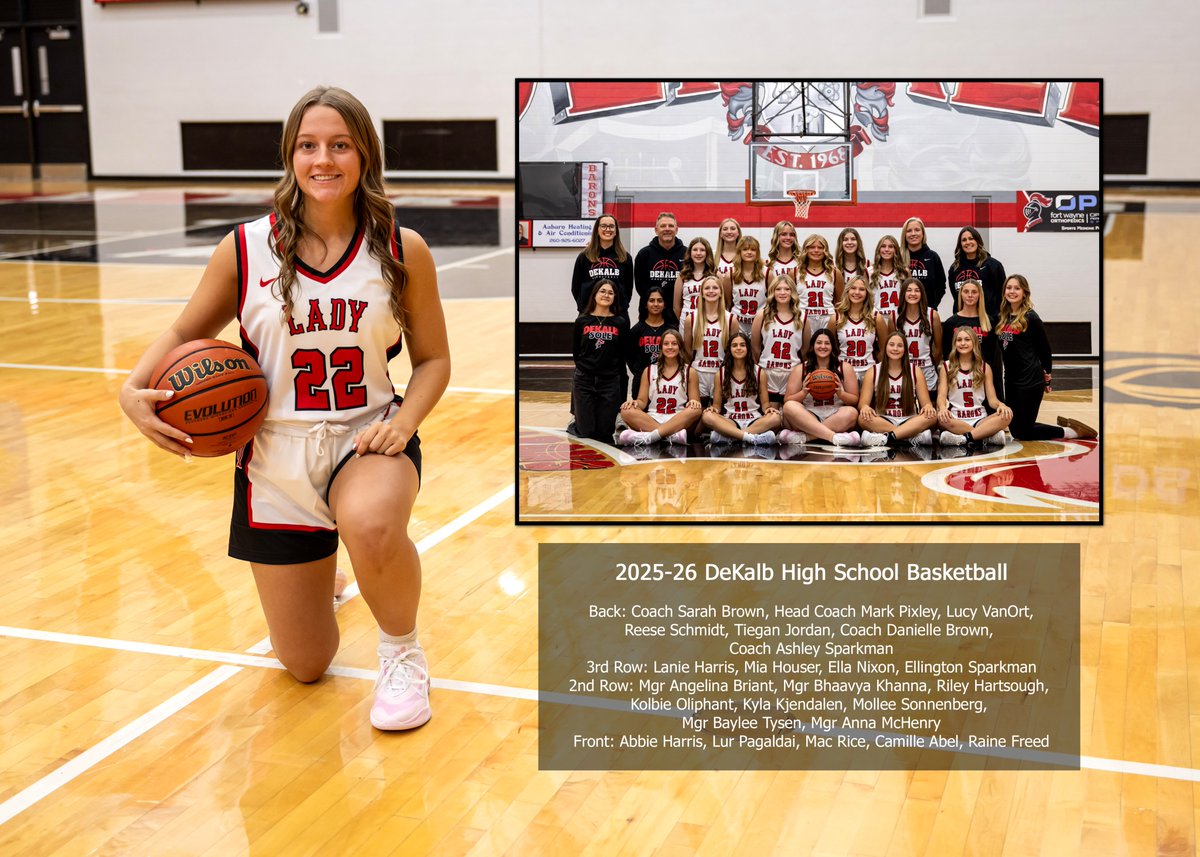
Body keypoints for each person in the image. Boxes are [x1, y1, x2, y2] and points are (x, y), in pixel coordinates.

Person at [118, 86, 450, 731]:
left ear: (364, 156)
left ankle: (403, 653)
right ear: (290, 156)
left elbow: (433, 360)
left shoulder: (400, 248)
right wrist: (133, 389)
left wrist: (403, 422)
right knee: (305, 665)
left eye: (339, 145)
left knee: (374, 525)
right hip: (272, 457)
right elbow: (186, 332)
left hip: (365, 437)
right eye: (308, 146)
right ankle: (325, 572)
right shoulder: (245, 249)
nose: (323, 159)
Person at [996, 274, 1097, 440]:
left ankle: (1071, 432)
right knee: (1015, 428)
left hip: (1030, 380)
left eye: (1017, 288)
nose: (1012, 291)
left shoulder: (1031, 317)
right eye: (1009, 288)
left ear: (1024, 293)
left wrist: (1047, 378)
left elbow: (1045, 350)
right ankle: (1065, 428)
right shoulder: (1002, 317)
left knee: (1023, 431)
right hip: (1011, 380)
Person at [618, 329, 701, 445]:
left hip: (677, 419)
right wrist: (634, 403)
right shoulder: (649, 370)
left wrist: (693, 402)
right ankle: (670, 436)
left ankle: (650, 436)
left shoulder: (689, 371)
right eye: (666, 344)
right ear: (661, 347)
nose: (670, 347)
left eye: (674, 343)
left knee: (696, 410)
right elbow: (642, 401)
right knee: (626, 411)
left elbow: (695, 401)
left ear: (680, 347)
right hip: (653, 418)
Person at [781, 328, 861, 447]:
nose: (823, 346)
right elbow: (788, 400)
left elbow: (854, 400)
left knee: (852, 413)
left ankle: (807, 437)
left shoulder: (845, 367)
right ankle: (832, 436)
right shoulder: (801, 369)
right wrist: (803, 393)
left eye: (827, 343)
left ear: (833, 346)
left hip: (835, 414)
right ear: (813, 345)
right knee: (789, 407)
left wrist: (841, 394)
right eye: (819, 343)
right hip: (809, 414)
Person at [572, 279, 629, 443]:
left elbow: (622, 354)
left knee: (605, 432)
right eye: (602, 291)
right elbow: (576, 352)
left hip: (609, 381)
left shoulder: (620, 322)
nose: (606, 295)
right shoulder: (582, 321)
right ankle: (577, 421)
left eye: (611, 293)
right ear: (595, 294)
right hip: (584, 379)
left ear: (615, 298)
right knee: (587, 432)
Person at [858, 331, 937, 446]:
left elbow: (926, 404)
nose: (895, 348)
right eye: (891, 345)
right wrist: (865, 407)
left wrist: (928, 407)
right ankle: (909, 437)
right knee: (862, 418)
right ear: (885, 347)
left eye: (900, 346)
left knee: (932, 416)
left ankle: (887, 437)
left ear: (905, 349)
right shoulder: (874, 371)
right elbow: (862, 403)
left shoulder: (915, 370)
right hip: (884, 419)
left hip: (909, 419)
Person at [936, 326, 1012, 446]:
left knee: (1007, 415)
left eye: (967, 339)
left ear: (974, 343)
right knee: (941, 419)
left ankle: (964, 438)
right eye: (959, 340)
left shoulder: (984, 367)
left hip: (980, 419)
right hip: (956, 419)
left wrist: (1001, 405)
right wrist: (942, 408)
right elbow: (941, 396)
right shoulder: (946, 367)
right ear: (954, 343)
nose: (963, 343)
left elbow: (992, 400)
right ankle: (984, 436)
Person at [702, 331, 780, 445]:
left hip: (754, 420)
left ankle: (733, 437)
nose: (738, 348)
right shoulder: (721, 374)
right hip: (730, 420)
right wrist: (713, 410)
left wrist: (769, 409)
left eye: (742, 345)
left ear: (748, 348)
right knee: (706, 416)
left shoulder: (759, 372)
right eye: (734, 345)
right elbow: (717, 406)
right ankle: (751, 438)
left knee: (776, 418)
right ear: (729, 349)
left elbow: (765, 405)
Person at [942, 278, 1004, 403]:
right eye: (966, 291)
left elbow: (993, 355)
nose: (970, 295)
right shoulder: (951, 323)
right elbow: (948, 355)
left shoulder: (989, 322)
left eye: (974, 292)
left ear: (980, 295)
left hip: (983, 376)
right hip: (960, 379)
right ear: (960, 294)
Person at [751, 274, 807, 406]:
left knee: (789, 414)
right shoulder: (762, 315)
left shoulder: (802, 317)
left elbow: (805, 349)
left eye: (787, 289)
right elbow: (755, 347)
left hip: (792, 373)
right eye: (778, 289)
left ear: (792, 292)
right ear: (772, 292)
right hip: (768, 372)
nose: (782, 293)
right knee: (772, 414)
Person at [681, 274, 734, 407]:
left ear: (721, 292)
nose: (711, 291)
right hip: (698, 373)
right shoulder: (691, 319)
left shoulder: (731, 319)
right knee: (698, 419)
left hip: (720, 372)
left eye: (715, 288)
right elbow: (687, 351)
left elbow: (733, 351)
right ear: (702, 293)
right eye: (707, 288)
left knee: (719, 415)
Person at [571, 213, 633, 314]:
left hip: (617, 314)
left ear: (616, 231)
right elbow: (576, 287)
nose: (608, 229)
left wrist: (621, 307)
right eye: (603, 226)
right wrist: (585, 307)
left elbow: (628, 288)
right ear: (597, 230)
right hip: (589, 312)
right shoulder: (584, 256)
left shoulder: (625, 257)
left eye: (611, 226)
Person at [832, 274, 887, 384]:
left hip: (869, 371)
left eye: (862, 289)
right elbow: (832, 349)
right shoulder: (836, 318)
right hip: (844, 372)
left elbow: (883, 349)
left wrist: (877, 370)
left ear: (867, 293)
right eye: (853, 288)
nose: (857, 292)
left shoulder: (876, 317)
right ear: (847, 291)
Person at [634, 211, 687, 323]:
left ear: (676, 230)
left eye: (671, 226)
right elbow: (640, 287)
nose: (667, 229)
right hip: (650, 315)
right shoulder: (644, 254)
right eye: (663, 226)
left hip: (678, 314)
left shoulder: (687, 254)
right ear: (656, 230)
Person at [947, 226, 1006, 324]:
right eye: (964, 240)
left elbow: (1002, 294)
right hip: (962, 323)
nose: (968, 242)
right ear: (960, 244)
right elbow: (955, 295)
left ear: (978, 240)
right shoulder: (955, 268)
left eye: (971, 238)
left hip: (988, 321)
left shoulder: (993, 265)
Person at [897, 276, 942, 394]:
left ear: (922, 294)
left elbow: (938, 348)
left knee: (929, 407)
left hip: (926, 369)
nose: (913, 294)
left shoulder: (932, 315)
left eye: (917, 290)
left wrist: (931, 364)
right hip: (903, 369)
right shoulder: (894, 316)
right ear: (903, 293)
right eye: (909, 290)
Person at [625, 286, 671, 399]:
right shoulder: (636, 330)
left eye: (660, 300)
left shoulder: (671, 330)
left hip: (666, 380)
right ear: (645, 304)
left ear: (665, 304)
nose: (656, 304)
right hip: (640, 381)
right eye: (652, 300)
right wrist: (639, 371)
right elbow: (629, 357)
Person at [902, 216, 947, 313]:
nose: (913, 234)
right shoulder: (899, 258)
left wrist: (930, 306)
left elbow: (941, 287)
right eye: (909, 231)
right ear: (904, 235)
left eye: (917, 230)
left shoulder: (933, 257)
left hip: (927, 312)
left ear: (923, 234)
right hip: (904, 313)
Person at [798, 233, 842, 331]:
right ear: (806, 250)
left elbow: (840, 303)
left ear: (825, 250)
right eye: (812, 247)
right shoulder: (795, 272)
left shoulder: (834, 272)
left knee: (825, 346)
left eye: (820, 247)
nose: (816, 250)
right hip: (803, 319)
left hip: (828, 318)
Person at [727, 235, 766, 337]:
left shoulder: (767, 273)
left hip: (760, 322)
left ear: (757, 253)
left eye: (753, 249)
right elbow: (727, 302)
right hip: (738, 322)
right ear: (739, 252)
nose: (749, 252)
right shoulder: (730, 274)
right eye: (745, 249)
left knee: (757, 351)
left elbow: (771, 301)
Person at [673, 236, 719, 322]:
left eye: (702, 250)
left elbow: (723, 302)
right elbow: (676, 306)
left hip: (708, 322)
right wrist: (684, 321)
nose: (698, 253)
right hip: (686, 320)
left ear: (707, 253)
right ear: (690, 253)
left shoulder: (715, 273)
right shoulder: (683, 275)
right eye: (695, 250)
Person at [870, 234, 907, 327]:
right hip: (877, 319)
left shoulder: (904, 272)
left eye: (891, 247)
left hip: (899, 318)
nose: (886, 249)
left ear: (896, 250)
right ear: (878, 249)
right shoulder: (869, 272)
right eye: (883, 246)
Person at [765, 220, 801, 289]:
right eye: (784, 234)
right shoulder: (768, 264)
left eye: (792, 234)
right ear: (776, 236)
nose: (788, 238)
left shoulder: (801, 263)